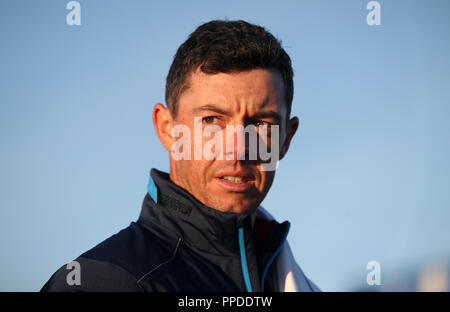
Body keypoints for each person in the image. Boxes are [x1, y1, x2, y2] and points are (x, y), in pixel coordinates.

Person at [41, 19, 320, 292]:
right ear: (167, 129)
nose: (239, 148)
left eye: (261, 124)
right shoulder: (101, 282)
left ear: (287, 138)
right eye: (212, 120)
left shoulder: (285, 276)